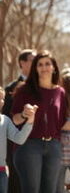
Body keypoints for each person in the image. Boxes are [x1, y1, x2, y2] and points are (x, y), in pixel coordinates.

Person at [11, 50, 67, 193]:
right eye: (40, 65)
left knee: (50, 190)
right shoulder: (24, 90)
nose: (44, 68)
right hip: (29, 145)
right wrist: (24, 114)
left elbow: (62, 123)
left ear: (54, 67)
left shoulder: (60, 92)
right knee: (32, 190)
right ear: (35, 68)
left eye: (47, 64)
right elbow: (15, 120)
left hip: (53, 146)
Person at [3, 49, 35, 193]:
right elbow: (6, 116)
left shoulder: (43, 86)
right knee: (16, 182)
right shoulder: (11, 88)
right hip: (16, 143)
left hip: (39, 141)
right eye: (32, 60)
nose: (36, 64)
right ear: (22, 63)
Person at [0, 87, 37, 193]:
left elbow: (19, 139)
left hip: (1, 173)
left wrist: (30, 121)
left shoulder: (5, 120)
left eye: (2, 98)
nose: (1, 101)